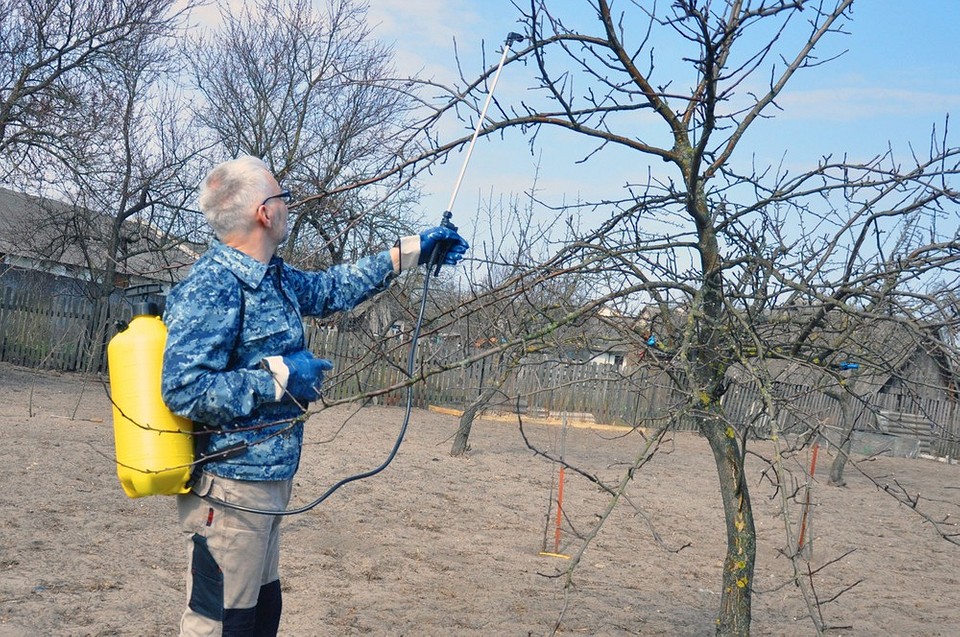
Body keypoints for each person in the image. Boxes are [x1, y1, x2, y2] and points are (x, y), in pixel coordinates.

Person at [160, 155, 468, 636]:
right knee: (220, 624)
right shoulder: (214, 284)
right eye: (283, 197)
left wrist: (412, 251)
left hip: (267, 486)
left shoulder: (274, 277)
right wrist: (279, 377)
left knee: (259, 618)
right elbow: (184, 389)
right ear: (265, 212)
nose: (289, 206)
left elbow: (333, 288)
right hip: (230, 490)